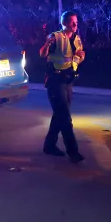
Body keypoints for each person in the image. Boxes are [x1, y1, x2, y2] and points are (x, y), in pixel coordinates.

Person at [39, 10, 85, 163]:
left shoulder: (77, 38)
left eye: (76, 22)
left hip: (67, 80)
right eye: (72, 22)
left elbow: (81, 53)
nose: (75, 24)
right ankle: (73, 152)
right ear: (64, 22)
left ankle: (49, 145)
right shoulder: (55, 36)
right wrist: (47, 43)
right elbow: (42, 53)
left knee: (60, 114)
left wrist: (77, 61)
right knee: (65, 116)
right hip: (55, 79)